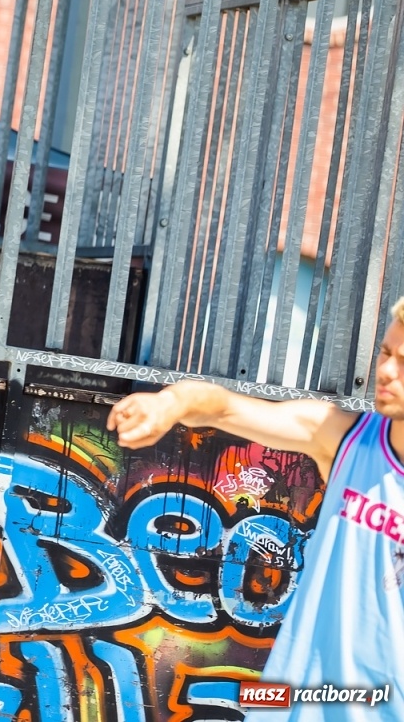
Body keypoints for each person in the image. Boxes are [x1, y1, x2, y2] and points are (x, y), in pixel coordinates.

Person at [106, 297, 404, 719]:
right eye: (386, 353)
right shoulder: (346, 439)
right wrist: (169, 405)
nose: (387, 371)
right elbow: (224, 407)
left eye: (403, 362)